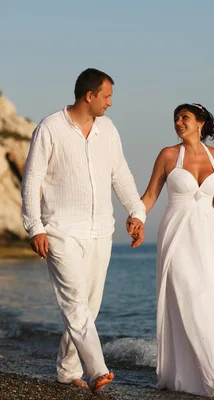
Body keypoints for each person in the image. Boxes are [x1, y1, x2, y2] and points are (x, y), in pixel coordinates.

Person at [21, 68, 146, 393]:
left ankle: (66, 370)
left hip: (101, 231)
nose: (110, 103)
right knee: (74, 303)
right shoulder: (50, 128)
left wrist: (136, 211)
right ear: (89, 96)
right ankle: (97, 369)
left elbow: (120, 173)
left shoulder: (108, 129)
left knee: (89, 306)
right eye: (107, 96)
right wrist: (35, 226)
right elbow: (32, 179)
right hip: (60, 230)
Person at [132, 103, 214, 397]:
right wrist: (137, 218)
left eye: (184, 117)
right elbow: (150, 194)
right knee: (188, 298)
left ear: (200, 122)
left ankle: (206, 372)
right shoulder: (168, 155)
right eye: (175, 118)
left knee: (212, 301)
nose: (178, 122)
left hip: (210, 237)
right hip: (177, 236)